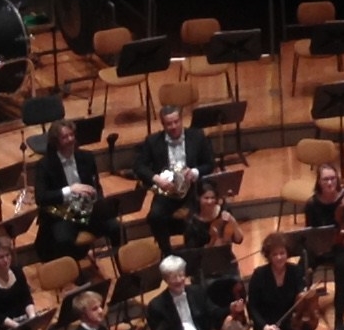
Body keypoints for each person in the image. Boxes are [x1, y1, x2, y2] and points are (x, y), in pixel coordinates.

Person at [32, 121, 120, 264]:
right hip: (62, 213)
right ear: (56, 142)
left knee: (114, 226)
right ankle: (73, 269)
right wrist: (70, 190)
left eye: (72, 135)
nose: (70, 139)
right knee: (63, 240)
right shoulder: (45, 165)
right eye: (65, 137)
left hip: (86, 209)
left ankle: (120, 263)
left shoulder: (87, 157)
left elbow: (96, 185)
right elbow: (41, 198)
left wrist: (95, 196)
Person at [132, 104, 214, 248]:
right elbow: (139, 166)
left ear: (181, 120)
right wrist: (157, 179)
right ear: (163, 125)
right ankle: (167, 252)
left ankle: (195, 251)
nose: (174, 126)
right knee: (154, 217)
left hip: (192, 190)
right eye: (169, 124)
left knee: (196, 216)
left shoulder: (197, 136)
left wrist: (194, 172)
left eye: (176, 122)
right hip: (167, 191)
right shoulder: (152, 141)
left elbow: (209, 164)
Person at [301, 163, 344, 325]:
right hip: (322, 246)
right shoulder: (312, 204)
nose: (330, 183)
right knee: (302, 266)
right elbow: (311, 232)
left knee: (342, 267)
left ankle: (339, 318)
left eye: (333, 178)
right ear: (319, 182)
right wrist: (319, 247)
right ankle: (301, 310)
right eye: (325, 179)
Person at [146, 255, 216, 330]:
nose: (179, 280)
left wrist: (231, 309)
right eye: (174, 277)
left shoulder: (197, 292)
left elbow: (213, 312)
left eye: (181, 275)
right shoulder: (156, 306)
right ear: (165, 279)